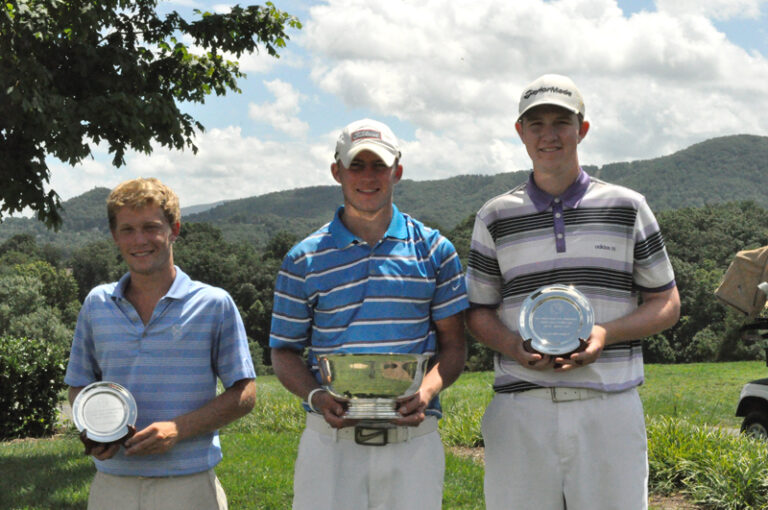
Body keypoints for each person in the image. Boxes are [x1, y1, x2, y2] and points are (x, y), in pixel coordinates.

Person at [465, 74, 681, 510]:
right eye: (536, 123)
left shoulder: (628, 206)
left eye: (561, 122)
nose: (549, 134)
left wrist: (604, 334)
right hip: (522, 405)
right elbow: (477, 312)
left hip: (609, 404)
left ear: (582, 129)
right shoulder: (494, 216)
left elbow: (667, 303)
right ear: (520, 133)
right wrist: (512, 344)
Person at [269, 118, 469, 510]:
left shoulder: (435, 250)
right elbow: (284, 351)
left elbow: (455, 345)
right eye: (356, 166)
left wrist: (425, 392)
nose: (367, 176)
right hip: (331, 442)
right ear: (336, 171)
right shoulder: (303, 258)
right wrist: (315, 395)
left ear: (397, 170)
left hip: (413, 438)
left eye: (378, 165)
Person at [65, 177, 256, 510]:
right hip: (112, 487)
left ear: (174, 230)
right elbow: (79, 388)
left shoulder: (213, 304)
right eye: (127, 230)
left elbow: (245, 394)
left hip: (189, 486)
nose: (139, 240)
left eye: (151, 227)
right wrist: (95, 431)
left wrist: (178, 429)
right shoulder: (97, 303)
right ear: (115, 236)